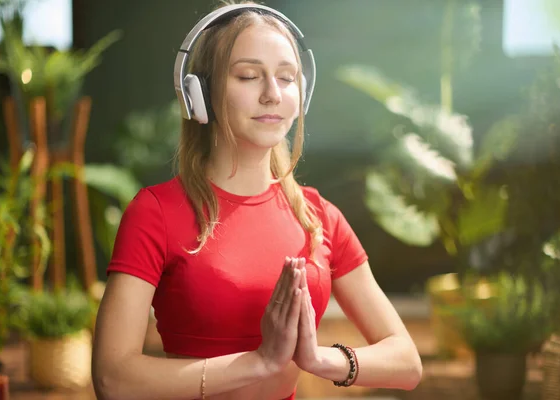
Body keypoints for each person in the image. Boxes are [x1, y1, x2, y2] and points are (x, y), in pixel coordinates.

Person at [92, 2, 422, 399]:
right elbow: (113, 378)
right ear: (199, 94)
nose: (272, 94)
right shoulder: (155, 213)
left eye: (287, 78)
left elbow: (406, 363)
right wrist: (260, 362)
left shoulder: (319, 216)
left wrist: (318, 359)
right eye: (249, 76)